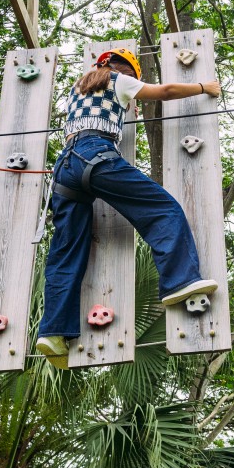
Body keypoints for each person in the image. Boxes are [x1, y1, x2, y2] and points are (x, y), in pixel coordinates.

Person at [36, 47, 221, 368]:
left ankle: (52, 332)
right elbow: (165, 91)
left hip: (65, 167)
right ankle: (181, 280)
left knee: (66, 250)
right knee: (163, 209)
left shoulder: (77, 88)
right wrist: (205, 87)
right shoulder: (119, 80)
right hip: (95, 154)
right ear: (130, 71)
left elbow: (96, 115)